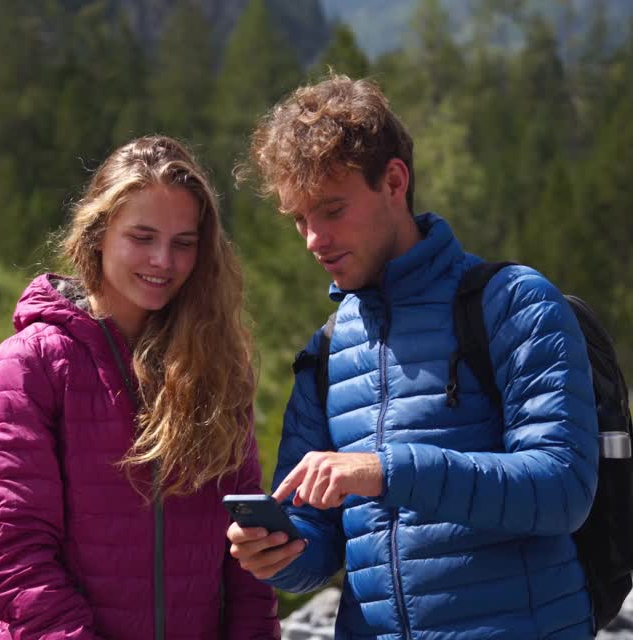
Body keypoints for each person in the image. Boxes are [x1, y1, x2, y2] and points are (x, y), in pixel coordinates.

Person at [227, 76, 599, 638]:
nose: (313, 239)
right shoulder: (328, 350)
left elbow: (562, 489)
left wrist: (386, 469)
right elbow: (319, 540)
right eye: (299, 218)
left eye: (331, 209)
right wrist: (280, 548)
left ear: (394, 181)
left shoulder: (512, 302)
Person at [0, 136, 280, 639]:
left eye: (183, 242)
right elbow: (10, 551)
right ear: (99, 232)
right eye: (142, 236)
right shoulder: (29, 367)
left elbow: (245, 557)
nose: (163, 261)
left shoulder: (216, 369)